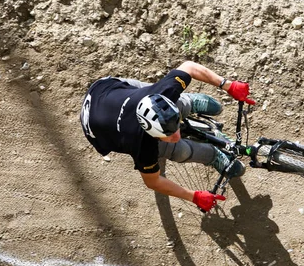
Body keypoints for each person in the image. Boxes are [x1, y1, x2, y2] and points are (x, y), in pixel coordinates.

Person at [80, 61, 256, 213]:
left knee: (174, 103)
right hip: (95, 125)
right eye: (168, 134)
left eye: (176, 127)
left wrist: (227, 85)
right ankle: (213, 156)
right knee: (180, 151)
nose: (177, 135)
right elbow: (153, 181)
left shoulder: (162, 92)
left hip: (105, 89)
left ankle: (188, 102)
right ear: (150, 134)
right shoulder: (140, 144)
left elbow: (189, 66)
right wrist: (194, 196)